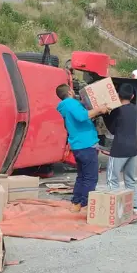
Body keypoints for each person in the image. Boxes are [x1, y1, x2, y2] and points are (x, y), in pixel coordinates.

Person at [56, 84, 110, 213]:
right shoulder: (71, 103)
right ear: (69, 91)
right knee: (91, 177)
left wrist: (94, 113)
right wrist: (99, 109)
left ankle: (76, 203)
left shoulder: (65, 106)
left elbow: (82, 117)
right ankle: (86, 204)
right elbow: (82, 116)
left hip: (78, 145)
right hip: (86, 144)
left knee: (82, 176)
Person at [103, 84, 137, 214]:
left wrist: (105, 114)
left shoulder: (117, 110)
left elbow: (112, 130)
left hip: (119, 148)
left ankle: (115, 209)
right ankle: (136, 207)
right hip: (133, 148)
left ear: (118, 95)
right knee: (130, 179)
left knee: (112, 178)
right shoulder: (134, 109)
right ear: (132, 96)